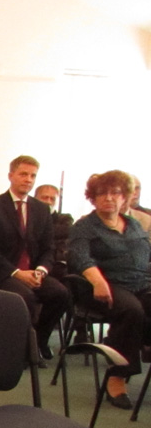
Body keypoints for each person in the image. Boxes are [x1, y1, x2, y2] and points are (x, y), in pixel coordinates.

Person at [68, 170, 151, 409]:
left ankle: (141, 345)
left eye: (115, 193)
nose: (109, 198)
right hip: (102, 286)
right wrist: (97, 280)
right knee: (132, 311)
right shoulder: (85, 226)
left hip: (140, 283)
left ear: (125, 197)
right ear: (92, 198)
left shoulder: (134, 224)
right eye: (102, 193)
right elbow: (79, 257)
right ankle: (117, 377)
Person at [0, 155, 68, 360]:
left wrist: (41, 270)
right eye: (23, 174)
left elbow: (48, 248)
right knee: (24, 297)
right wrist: (17, 273)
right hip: (3, 272)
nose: (28, 179)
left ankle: (38, 342)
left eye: (33, 176)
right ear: (11, 176)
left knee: (61, 294)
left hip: (34, 272)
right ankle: (21, 347)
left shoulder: (42, 209)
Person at [33, 183, 73, 280]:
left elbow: (66, 231)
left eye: (52, 199)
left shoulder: (65, 218)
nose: (48, 202)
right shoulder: (27, 218)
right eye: (44, 198)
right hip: (34, 263)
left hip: (58, 265)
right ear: (35, 199)